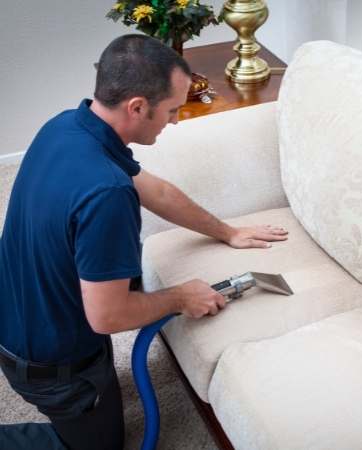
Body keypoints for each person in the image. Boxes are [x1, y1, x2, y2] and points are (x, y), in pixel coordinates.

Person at [0, 34, 288, 450]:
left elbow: (159, 192)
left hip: (18, 312)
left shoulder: (66, 126)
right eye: (171, 110)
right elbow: (108, 317)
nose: (174, 121)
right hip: (50, 366)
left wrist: (229, 232)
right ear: (137, 106)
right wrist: (180, 297)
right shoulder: (107, 194)